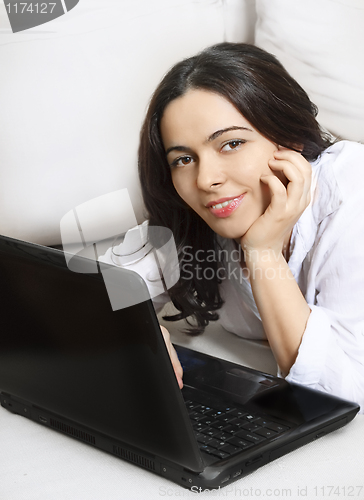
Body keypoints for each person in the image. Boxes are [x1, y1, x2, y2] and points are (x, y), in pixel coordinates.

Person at [101, 43, 364, 410]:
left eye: (232, 143)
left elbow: (340, 394)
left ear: (287, 140)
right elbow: (89, 292)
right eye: (184, 159)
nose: (205, 180)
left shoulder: (351, 190)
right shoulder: (193, 213)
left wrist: (262, 253)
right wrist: (136, 329)